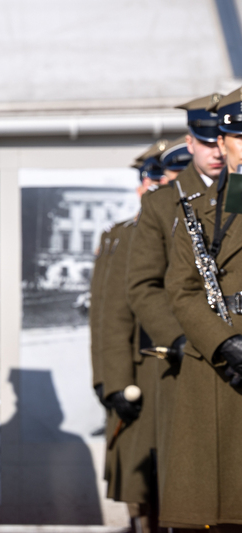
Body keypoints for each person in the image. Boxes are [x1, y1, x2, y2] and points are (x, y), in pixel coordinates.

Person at [126, 93, 222, 530]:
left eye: (224, 139)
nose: (218, 150)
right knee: (191, 487)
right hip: (188, 355)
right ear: (193, 141)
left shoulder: (234, 195)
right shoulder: (164, 204)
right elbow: (147, 285)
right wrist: (182, 340)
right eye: (210, 140)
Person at [165, 86, 242, 531]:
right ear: (224, 144)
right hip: (217, 359)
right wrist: (224, 342)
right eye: (238, 139)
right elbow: (181, 288)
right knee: (216, 511)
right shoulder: (198, 209)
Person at [97, 140, 171, 533]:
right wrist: (112, 381)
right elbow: (111, 315)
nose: (156, 183)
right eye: (151, 176)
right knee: (143, 484)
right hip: (142, 368)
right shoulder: (126, 235)